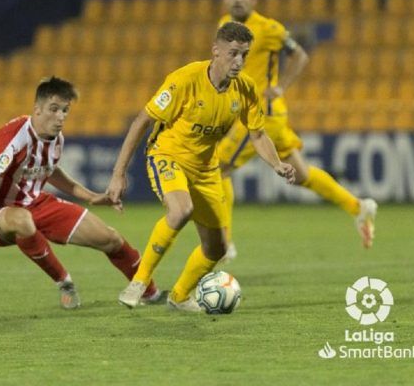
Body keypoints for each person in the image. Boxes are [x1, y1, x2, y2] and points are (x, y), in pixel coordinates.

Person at [108, 22, 296, 312]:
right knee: (181, 210)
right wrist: (118, 174)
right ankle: (139, 282)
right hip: (168, 155)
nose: (239, 62)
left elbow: (257, 134)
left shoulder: (245, 89)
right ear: (216, 51)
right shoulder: (184, 79)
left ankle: (180, 296)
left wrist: (277, 164)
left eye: (244, 55)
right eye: (233, 53)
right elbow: (141, 122)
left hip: (206, 170)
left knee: (216, 248)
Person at [217, 0, 377, 261]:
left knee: (218, 169)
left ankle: (223, 243)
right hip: (264, 117)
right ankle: (358, 207)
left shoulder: (269, 28)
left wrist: (280, 87)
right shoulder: (224, 25)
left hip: (261, 116)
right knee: (301, 175)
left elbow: (300, 54)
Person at [0, 76, 163, 309]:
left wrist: (91, 196)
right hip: (0, 212)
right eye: (54, 109)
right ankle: (64, 282)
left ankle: (150, 293)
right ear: (37, 110)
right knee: (23, 220)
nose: (60, 116)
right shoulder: (14, 136)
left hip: (37, 203)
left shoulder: (56, 138)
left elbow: (50, 171)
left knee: (110, 239)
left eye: (65, 110)